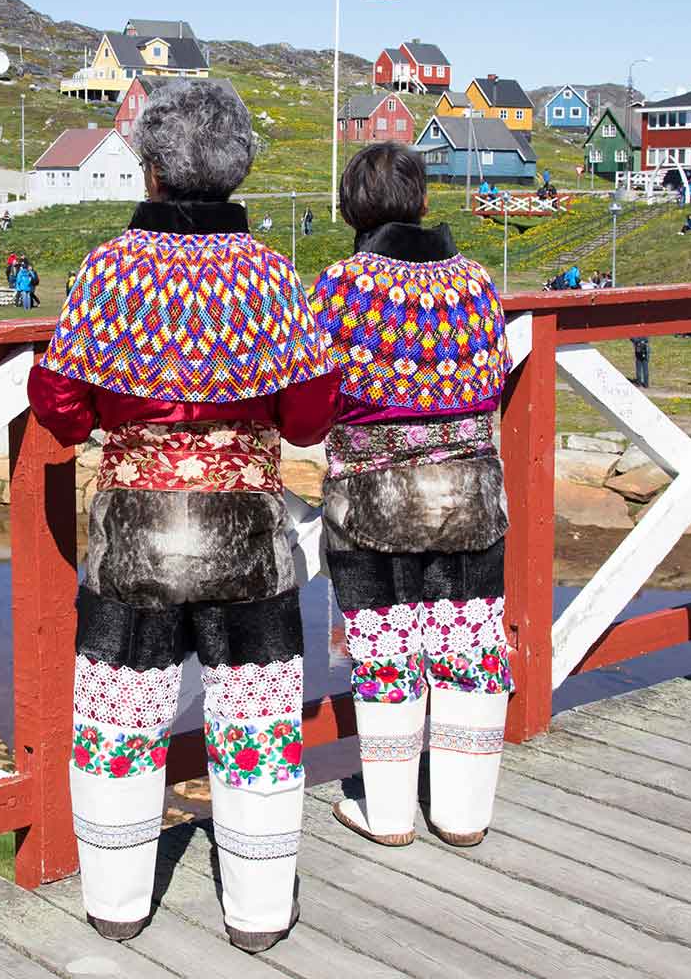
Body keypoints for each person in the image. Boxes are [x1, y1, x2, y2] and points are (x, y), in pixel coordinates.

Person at [28, 79, 334, 952]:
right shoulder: (271, 273)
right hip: (248, 539)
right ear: (237, 169)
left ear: (151, 170)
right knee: (259, 725)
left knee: (121, 722)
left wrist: (122, 419)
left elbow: (59, 404)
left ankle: (118, 904)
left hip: (135, 536)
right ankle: (260, 914)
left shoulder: (106, 268)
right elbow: (309, 419)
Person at [309, 141, 512, 852]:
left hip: (372, 498)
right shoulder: (479, 282)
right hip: (470, 494)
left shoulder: (337, 286)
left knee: (385, 648)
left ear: (348, 209)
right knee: (470, 646)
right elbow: (498, 378)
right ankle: (461, 814)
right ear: (425, 202)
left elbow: (311, 396)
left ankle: (389, 814)